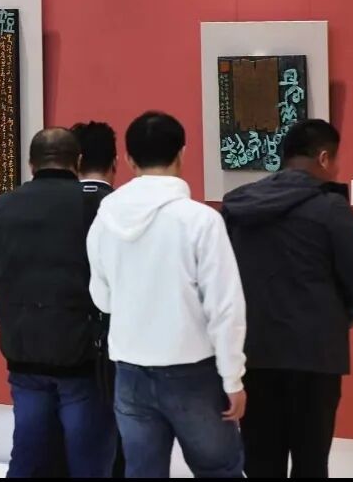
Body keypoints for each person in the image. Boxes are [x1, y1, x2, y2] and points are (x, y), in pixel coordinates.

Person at [87, 112, 247, 478]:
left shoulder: (105, 218)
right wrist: (233, 378)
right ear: (182, 154)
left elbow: (102, 298)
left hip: (129, 370)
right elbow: (225, 308)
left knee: (142, 471)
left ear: (128, 159)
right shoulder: (201, 220)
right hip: (194, 372)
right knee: (220, 469)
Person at [222, 119, 353, 478]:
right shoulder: (331, 208)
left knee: (260, 461)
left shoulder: (238, 206)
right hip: (315, 357)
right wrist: (335, 320)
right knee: (311, 461)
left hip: (254, 351)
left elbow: (220, 280)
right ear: (323, 158)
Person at [0, 128, 116, 478]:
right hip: (81, 356)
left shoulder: (3, 207)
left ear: (31, 163)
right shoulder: (95, 207)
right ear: (78, 162)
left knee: (28, 456)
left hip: (23, 352)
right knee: (87, 461)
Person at [71, 120, 125, 478]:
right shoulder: (122, 209)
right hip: (116, 340)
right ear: (115, 162)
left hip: (62, 338)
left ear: (75, 161)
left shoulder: (55, 205)